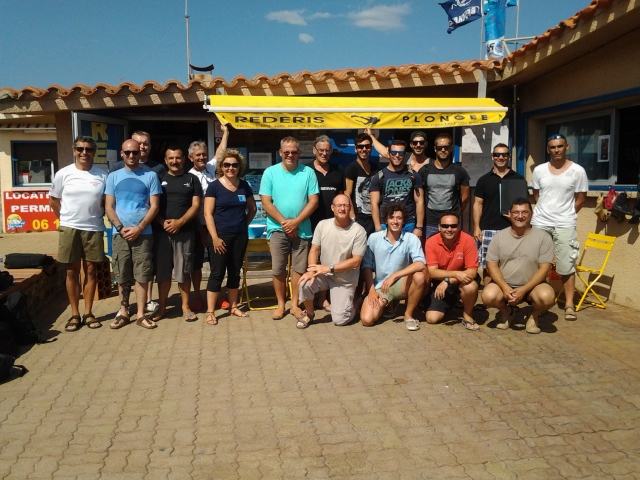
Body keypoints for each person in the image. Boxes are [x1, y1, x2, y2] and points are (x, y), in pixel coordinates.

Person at [49, 136, 107, 331]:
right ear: (74, 151)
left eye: (89, 149)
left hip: (93, 228)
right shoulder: (63, 173)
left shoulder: (102, 175)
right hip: (69, 228)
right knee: (71, 271)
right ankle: (75, 314)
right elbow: (54, 200)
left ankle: (89, 312)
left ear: (93, 152)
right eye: (80, 149)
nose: (84, 153)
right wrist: (65, 219)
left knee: (91, 270)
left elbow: (105, 202)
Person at [259, 136, 319, 321]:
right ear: (280, 153)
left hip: (302, 230)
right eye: (287, 152)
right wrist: (286, 223)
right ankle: (280, 304)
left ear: (299, 153)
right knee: (278, 269)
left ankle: (294, 305)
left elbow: (314, 201)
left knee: (299, 269)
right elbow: (266, 202)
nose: (290, 155)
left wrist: (296, 222)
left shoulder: (308, 172)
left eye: (294, 152)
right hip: (277, 229)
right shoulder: (270, 172)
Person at [105, 139, 162, 330]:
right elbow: (109, 206)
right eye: (127, 152)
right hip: (119, 233)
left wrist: (139, 227)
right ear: (122, 154)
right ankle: (123, 313)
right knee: (122, 273)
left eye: (135, 152)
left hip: (143, 233)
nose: (131, 156)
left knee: (142, 274)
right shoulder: (113, 176)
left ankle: (140, 314)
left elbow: (154, 206)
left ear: (140, 153)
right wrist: (121, 228)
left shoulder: (151, 175)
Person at [531, 133, 588, 321]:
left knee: (566, 265)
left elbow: (580, 198)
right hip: (541, 222)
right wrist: (547, 211)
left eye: (560, 146)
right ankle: (542, 301)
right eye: (553, 147)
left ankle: (569, 304)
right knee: (541, 265)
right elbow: (537, 195)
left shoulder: (578, 171)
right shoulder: (539, 170)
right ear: (548, 149)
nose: (556, 150)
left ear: (566, 147)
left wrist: (567, 214)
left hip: (565, 224)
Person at [482, 198, 556, 334]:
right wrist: (504, 288)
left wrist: (523, 289)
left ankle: (533, 316)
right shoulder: (499, 237)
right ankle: (507, 311)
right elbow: (491, 265)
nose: (520, 216)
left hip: (533, 286)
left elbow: (545, 268)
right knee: (488, 296)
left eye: (524, 212)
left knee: (548, 297)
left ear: (531, 214)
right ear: (509, 214)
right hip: (505, 285)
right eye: (516, 212)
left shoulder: (543, 237)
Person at [296, 195, 367, 329]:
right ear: (332, 208)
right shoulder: (322, 225)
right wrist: (311, 271)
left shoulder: (359, 231)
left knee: (340, 320)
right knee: (304, 283)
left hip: (345, 280)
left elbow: (356, 262)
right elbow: (314, 250)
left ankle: (357, 302)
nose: (342, 208)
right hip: (325, 274)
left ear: (350, 208)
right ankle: (310, 314)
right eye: (339, 205)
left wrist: (329, 268)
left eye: (345, 205)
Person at [203, 150, 257, 325]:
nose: (230, 168)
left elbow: (253, 208)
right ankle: (210, 312)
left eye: (234, 165)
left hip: (239, 236)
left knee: (235, 271)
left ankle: (233, 306)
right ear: (221, 167)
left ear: (239, 166)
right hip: (220, 237)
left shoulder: (244, 185)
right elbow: (207, 214)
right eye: (227, 165)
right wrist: (215, 238)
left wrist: (243, 225)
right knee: (217, 273)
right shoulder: (214, 187)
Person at [151, 146, 202, 322]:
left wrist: (179, 222)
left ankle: (185, 307)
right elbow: (151, 205)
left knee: (184, 271)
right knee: (163, 272)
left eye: (178, 158)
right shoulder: (157, 179)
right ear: (165, 161)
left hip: (185, 232)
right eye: (171, 158)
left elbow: (196, 205)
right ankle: (162, 308)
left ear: (184, 159)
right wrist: (162, 222)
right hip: (161, 232)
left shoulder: (192, 179)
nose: (174, 161)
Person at [360, 202, 426, 331]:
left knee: (419, 276)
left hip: (402, 284)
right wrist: (371, 290)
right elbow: (366, 266)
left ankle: (408, 315)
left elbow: (420, 263)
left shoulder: (411, 238)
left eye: (399, 218)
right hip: (381, 285)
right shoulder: (374, 238)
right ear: (386, 220)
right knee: (367, 320)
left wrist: (395, 275)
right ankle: (388, 304)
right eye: (391, 217)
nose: (395, 221)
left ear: (403, 221)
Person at [187, 124, 230, 312]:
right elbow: (192, 208)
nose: (202, 157)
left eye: (204, 154)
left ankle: (218, 295)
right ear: (191, 158)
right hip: (198, 227)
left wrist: (226, 132)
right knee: (196, 265)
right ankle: (197, 297)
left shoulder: (211, 169)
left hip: (216, 225)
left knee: (217, 264)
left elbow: (221, 153)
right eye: (198, 155)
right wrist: (201, 231)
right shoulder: (188, 177)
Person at [473, 143, 526, 285]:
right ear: (492, 157)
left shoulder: (519, 179)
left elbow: (525, 207)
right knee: (488, 265)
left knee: (511, 263)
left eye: (504, 154)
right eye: (497, 154)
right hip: (488, 228)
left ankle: (509, 297)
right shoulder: (484, 180)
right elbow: (478, 204)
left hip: (511, 228)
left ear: (509, 157)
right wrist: (477, 227)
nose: (500, 157)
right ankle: (489, 298)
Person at [424, 212, 480, 331]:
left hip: (463, 280)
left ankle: (468, 315)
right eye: (445, 226)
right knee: (431, 318)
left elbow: (472, 272)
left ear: (458, 226)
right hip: (445, 281)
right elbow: (433, 272)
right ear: (439, 227)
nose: (449, 229)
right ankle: (452, 302)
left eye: (453, 226)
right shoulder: (431, 242)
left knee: (470, 287)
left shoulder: (468, 240)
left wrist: (448, 280)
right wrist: (454, 274)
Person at [418, 133, 470, 239]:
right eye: (440, 147)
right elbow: (419, 198)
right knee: (430, 252)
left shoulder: (459, 171)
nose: (443, 150)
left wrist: (456, 213)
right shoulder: (425, 170)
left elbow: (465, 197)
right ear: (435, 149)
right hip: (430, 222)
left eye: (446, 147)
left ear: (451, 149)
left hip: (450, 223)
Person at [369, 139, 424, 235]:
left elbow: (420, 202)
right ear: (389, 153)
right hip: (385, 224)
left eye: (400, 153)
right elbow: (374, 204)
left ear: (405, 154)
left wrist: (419, 227)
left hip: (408, 224)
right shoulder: (379, 177)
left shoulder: (414, 175)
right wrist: (378, 228)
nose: (397, 156)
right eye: (394, 152)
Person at [344, 133, 380, 237]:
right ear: (355, 149)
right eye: (360, 146)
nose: (364, 149)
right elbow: (347, 195)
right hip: (359, 218)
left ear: (371, 148)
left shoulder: (376, 168)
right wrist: (353, 219)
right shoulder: (351, 168)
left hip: (375, 218)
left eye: (367, 146)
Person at [308, 135, 345, 230]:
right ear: (314, 150)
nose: (324, 153)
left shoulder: (338, 170)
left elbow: (343, 195)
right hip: (310, 224)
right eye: (321, 150)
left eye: (327, 150)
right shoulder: (306, 171)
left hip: (334, 224)